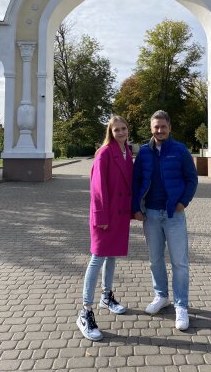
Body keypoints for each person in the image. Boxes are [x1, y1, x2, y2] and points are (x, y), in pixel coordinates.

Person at [133, 110, 198, 330]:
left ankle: (181, 305)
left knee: (180, 262)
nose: (159, 130)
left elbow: (191, 179)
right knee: (155, 260)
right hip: (150, 214)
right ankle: (161, 296)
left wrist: (183, 202)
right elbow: (136, 181)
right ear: (151, 129)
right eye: (156, 127)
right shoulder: (143, 152)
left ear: (169, 127)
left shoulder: (180, 150)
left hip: (174, 215)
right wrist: (136, 209)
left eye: (163, 126)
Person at [76, 116, 134, 341]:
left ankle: (107, 296)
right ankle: (85, 311)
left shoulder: (127, 152)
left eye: (124, 128)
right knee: (97, 258)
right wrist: (101, 215)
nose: (121, 132)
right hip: (105, 216)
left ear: (128, 130)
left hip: (119, 215)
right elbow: (98, 188)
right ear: (110, 131)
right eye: (116, 129)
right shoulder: (104, 153)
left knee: (112, 257)